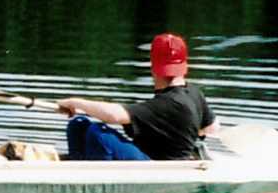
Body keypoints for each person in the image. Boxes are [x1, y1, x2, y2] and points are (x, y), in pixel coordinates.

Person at [56, 33, 219, 161]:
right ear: (185, 66)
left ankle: (95, 187)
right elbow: (213, 127)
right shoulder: (195, 93)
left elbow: (115, 115)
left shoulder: (167, 103)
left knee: (98, 133)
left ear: (153, 68)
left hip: (157, 166)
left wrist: (74, 102)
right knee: (79, 124)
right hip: (148, 154)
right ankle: (79, 170)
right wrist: (187, 132)